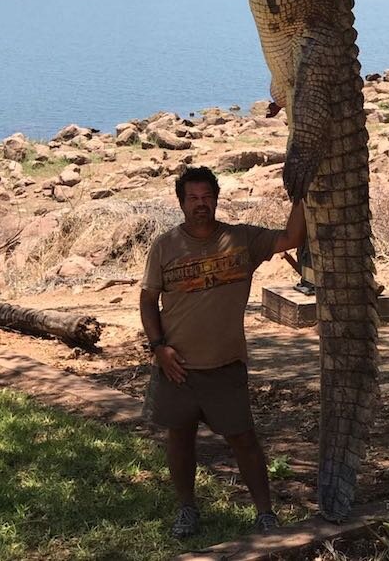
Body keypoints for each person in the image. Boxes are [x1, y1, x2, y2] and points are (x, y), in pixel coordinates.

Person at [140, 164, 306, 539]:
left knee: (244, 439)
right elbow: (148, 299)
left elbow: (293, 237)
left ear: (216, 199)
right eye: (193, 198)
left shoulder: (243, 239)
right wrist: (158, 348)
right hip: (177, 366)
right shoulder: (164, 245)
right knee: (179, 438)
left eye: (207, 197)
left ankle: (265, 513)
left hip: (225, 364)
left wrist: (302, 191)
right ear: (181, 202)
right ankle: (187, 510)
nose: (201, 204)